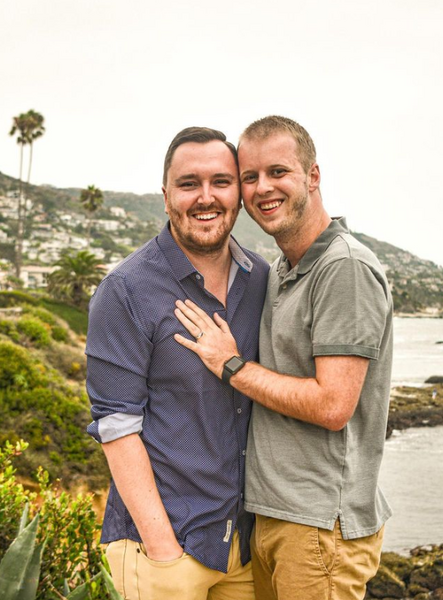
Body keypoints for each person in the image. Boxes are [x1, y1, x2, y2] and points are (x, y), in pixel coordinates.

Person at [174, 116, 393, 600]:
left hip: (318, 528)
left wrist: (232, 366)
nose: (262, 188)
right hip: (274, 519)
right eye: (249, 177)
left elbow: (333, 405)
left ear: (313, 176)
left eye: (278, 172)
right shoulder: (282, 270)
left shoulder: (344, 269)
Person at [85, 126, 269, 600]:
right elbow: (116, 426)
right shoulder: (125, 290)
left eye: (221, 182)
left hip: (242, 548)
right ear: (166, 195)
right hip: (164, 550)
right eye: (189, 184)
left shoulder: (262, 280)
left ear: (241, 193)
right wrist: (163, 549)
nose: (205, 197)